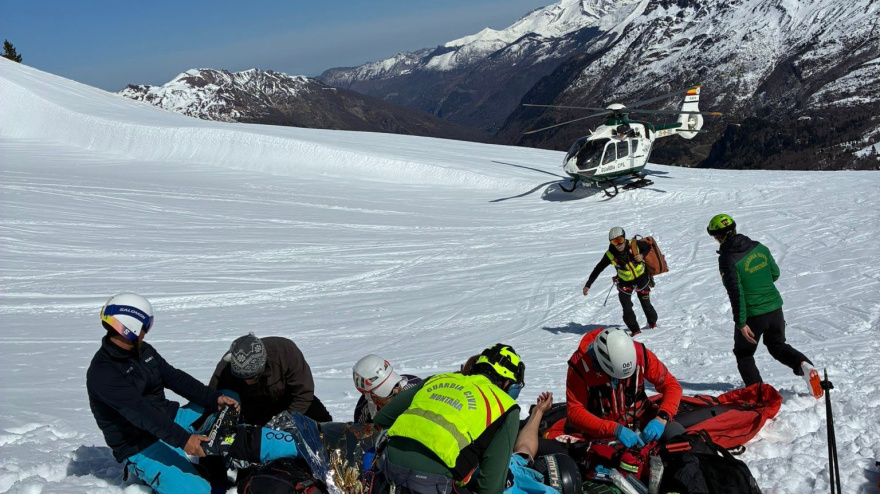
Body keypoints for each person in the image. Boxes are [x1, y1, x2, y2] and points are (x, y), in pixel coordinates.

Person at [87, 294, 251, 493]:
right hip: (141, 445)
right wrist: (183, 440)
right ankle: (147, 471)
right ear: (131, 326)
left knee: (229, 398)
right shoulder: (103, 373)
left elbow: (175, 378)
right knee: (198, 491)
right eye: (146, 325)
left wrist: (213, 398)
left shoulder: (143, 351)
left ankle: (217, 458)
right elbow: (142, 413)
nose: (146, 332)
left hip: (170, 420)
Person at [371, 343, 526, 494]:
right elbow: (490, 488)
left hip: (386, 471)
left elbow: (383, 418)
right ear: (508, 384)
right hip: (432, 485)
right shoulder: (505, 407)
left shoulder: (437, 379)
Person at [707, 214, 822, 397]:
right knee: (777, 345)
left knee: (744, 354)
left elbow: (736, 294)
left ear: (718, 237)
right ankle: (803, 365)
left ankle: (759, 395)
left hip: (753, 315)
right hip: (775, 309)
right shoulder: (759, 247)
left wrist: (741, 322)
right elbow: (775, 274)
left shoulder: (728, 259)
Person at [565, 328, 683, 448]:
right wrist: (614, 430)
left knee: (677, 436)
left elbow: (671, 384)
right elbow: (575, 411)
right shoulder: (580, 366)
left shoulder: (640, 354)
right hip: (602, 434)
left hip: (642, 421)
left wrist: (661, 418)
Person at [209, 333, 333, 425]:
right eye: (243, 378)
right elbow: (213, 400)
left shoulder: (285, 352)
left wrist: (285, 422)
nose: (248, 381)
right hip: (250, 409)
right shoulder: (225, 369)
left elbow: (303, 394)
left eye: (254, 376)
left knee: (323, 422)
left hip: (288, 401)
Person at [583, 227, 658, 335]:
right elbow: (598, 269)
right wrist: (588, 285)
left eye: (620, 240)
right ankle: (635, 331)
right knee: (626, 308)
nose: (619, 244)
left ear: (624, 238)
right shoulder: (610, 255)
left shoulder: (634, 244)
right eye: (615, 241)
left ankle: (653, 324)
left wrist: (641, 255)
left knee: (646, 304)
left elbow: (648, 246)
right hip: (624, 282)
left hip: (641, 279)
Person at [506, 392, 582, 494]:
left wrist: (538, 411)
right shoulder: (520, 473)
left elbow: (524, 449)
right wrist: (539, 411)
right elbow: (525, 448)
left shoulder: (518, 474)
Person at [352, 354, 422, 424]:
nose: (396, 391)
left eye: (396, 384)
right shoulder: (364, 414)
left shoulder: (416, 387)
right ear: (374, 399)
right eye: (388, 391)